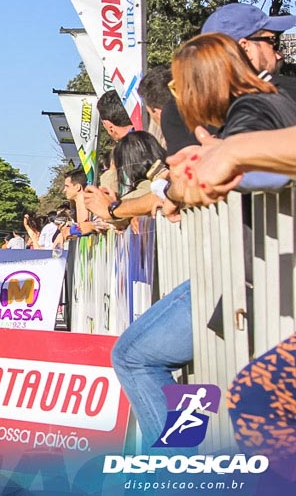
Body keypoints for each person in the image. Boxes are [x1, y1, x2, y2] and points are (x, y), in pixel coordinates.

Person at [111, 32, 296, 448]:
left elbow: (255, 173)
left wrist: (196, 175)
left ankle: (179, 471)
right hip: (259, 276)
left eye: (180, 86)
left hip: (256, 284)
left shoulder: (251, 110)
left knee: (133, 357)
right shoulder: (276, 99)